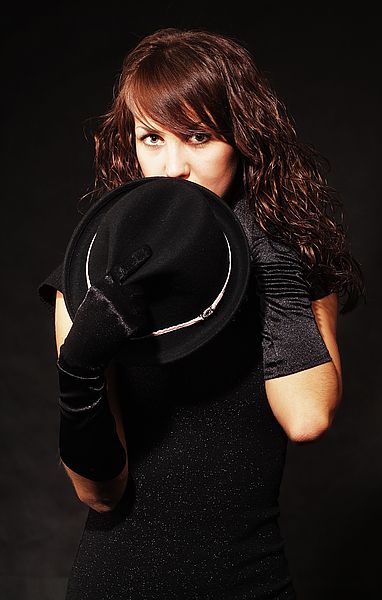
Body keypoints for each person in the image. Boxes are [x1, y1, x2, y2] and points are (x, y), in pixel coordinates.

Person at [38, 27, 365, 599]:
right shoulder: (87, 277)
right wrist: (79, 375)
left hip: (253, 582)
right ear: (130, 146)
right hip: (119, 585)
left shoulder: (293, 263)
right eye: (152, 139)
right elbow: (101, 494)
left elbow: (307, 417)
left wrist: (268, 260)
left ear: (243, 142)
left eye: (198, 136)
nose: (174, 167)